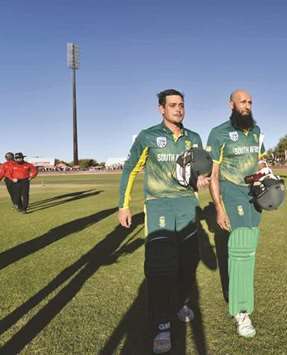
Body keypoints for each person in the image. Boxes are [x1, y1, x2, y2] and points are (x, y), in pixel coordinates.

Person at [117, 89, 209, 354]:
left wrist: (199, 180)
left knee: (188, 261)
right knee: (160, 266)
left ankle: (179, 303)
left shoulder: (194, 138)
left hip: (188, 205)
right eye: (172, 105)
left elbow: (197, 173)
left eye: (181, 105)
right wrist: (124, 205)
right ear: (161, 109)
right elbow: (131, 169)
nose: (178, 109)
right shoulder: (148, 136)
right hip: (158, 205)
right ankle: (161, 325)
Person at [206, 89, 267, 338]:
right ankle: (241, 311)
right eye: (243, 101)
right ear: (231, 104)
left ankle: (238, 295)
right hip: (232, 195)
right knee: (241, 248)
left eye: (250, 101)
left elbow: (261, 161)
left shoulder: (256, 131)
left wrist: (266, 177)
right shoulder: (219, 132)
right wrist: (219, 207)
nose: (247, 105)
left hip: (254, 197)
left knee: (248, 248)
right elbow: (213, 174)